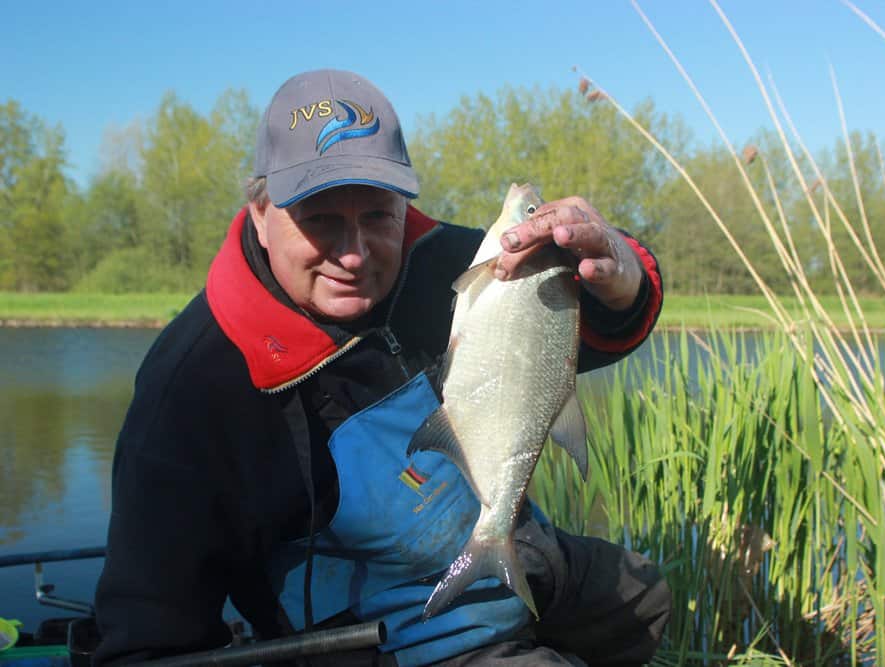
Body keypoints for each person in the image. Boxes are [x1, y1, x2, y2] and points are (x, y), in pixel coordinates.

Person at [93, 69, 671, 666]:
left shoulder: (446, 263)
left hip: (510, 550)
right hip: (386, 639)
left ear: (403, 205)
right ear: (260, 212)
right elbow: (147, 635)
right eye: (319, 219)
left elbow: (574, 332)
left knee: (642, 597)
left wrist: (621, 276)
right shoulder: (193, 386)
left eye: (377, 215)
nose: (354, 253)